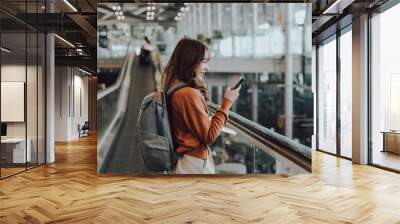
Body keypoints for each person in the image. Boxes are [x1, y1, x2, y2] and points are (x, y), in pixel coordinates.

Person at [162, 38, 240, 174]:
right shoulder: (187, 94)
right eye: (204, 61)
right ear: (190, 61)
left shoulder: (175, 87)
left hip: (187, 161)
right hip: (194, 164)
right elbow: (209, 135)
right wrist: (227, 103)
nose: (207, 67)